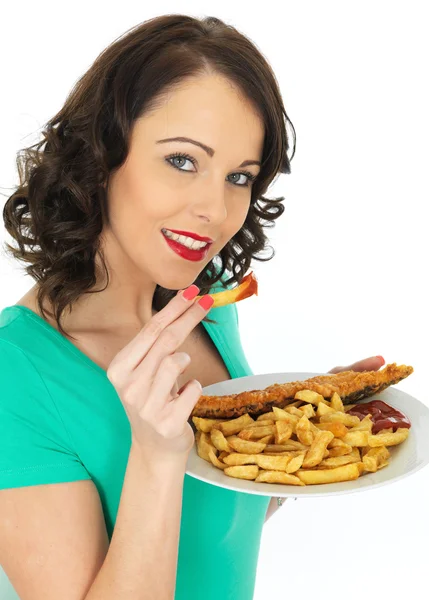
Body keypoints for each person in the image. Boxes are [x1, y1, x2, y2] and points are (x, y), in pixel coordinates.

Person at [0, 14, 385, 600]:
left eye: (239, 176)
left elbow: (209, 525)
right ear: (102, 154)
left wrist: (307, 440)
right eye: (182, 160)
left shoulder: (206, 310)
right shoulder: (14, 376)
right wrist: (155, 456)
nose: (215, 208)